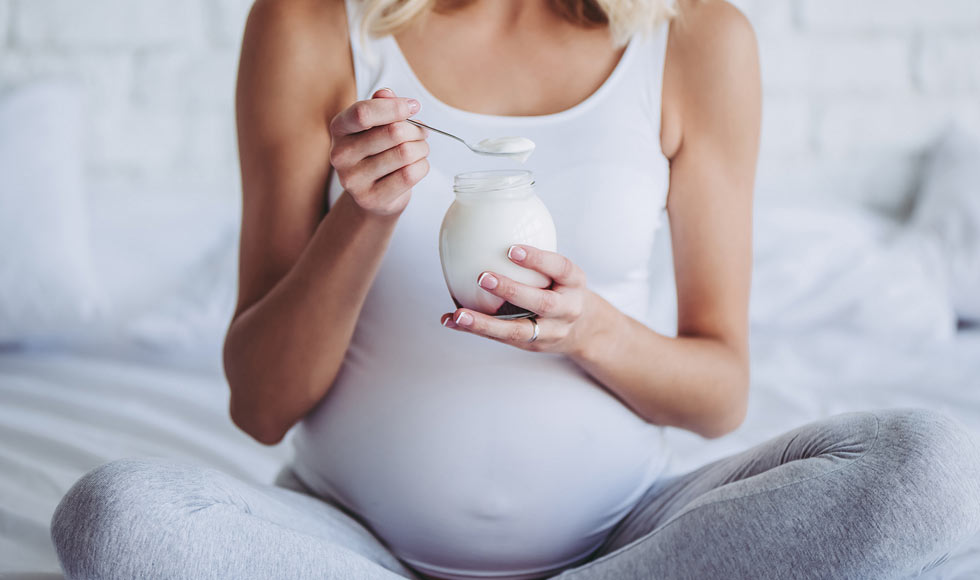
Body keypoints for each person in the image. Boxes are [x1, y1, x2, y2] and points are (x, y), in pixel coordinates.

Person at [51, 0, 980, 578]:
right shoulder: (312, 23)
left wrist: (592, 331)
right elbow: (259, 406)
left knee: (933, 468)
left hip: (629, 536)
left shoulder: (697, 38)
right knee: (117, 517)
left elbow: (719, 392)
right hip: (347, 542)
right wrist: (362, 219)